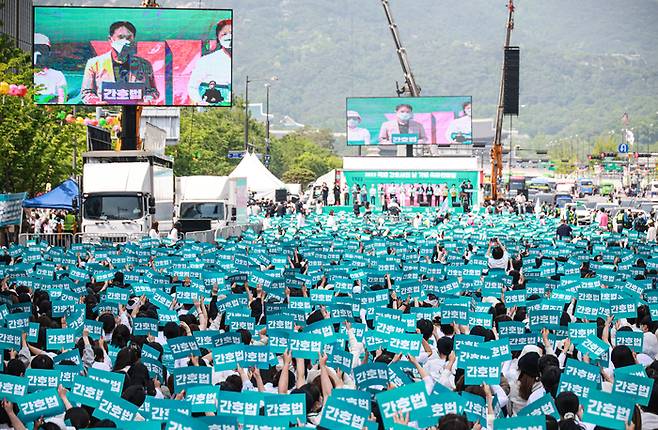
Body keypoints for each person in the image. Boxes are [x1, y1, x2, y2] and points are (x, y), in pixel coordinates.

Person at [81, 21, 159, 104]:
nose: (125, 41)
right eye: (120, 37)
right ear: (110, 39)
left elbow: (153, 92)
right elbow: (86, 93)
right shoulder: (94, 64)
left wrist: (147, 100)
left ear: (134, 40)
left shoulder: (144, 65)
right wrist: (96, 102)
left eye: (129, 38)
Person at [187, 19, 232, 105]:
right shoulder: (207, 61)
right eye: (224, 34)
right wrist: (201, 103)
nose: (229, 36)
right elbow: (192, 87)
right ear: (218, 38)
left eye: (231, 33)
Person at [33, 33, 67, 104]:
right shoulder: (23, 74)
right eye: (35, 49)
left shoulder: (57, 75)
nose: (38, 54)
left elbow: (63, 98)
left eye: (42, 50)